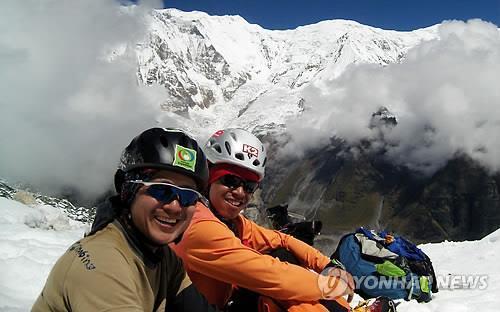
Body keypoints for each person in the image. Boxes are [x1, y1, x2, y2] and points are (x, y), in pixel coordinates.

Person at [32, 127, 218, 312]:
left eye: (188, 196)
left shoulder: (162, 258)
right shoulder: (103, 264)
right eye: (161, 189)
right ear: (127, 190)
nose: (175, 207)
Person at [170, 128, 355, 312]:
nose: (240, 192)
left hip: (224, 302)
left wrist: (327, 264)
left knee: (283, 254)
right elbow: (273, 277)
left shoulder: (229, 221)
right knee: (283, 295)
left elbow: (282, 239)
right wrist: (329, 286)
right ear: (209, 176)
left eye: (249, 185)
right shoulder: (198, 225)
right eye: (230, 180)